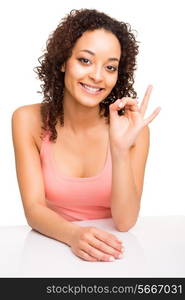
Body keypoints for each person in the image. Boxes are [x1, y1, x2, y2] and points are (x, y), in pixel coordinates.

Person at [11, 8, 161, 262]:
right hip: (49, 248)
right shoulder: (27, 120)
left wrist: (120, 149)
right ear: (62, 62)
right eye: (85, 60)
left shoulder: (133, 130)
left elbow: (125, 222)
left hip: (117, 253)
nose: (97, 76)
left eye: (110, 67)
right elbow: (33, 209)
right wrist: (73, 235)